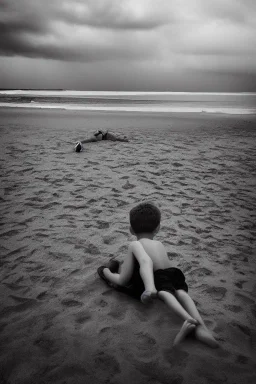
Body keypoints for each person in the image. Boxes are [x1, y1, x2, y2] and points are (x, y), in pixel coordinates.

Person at [98, 202, 219, 348]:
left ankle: (189, 321)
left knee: (165, 293)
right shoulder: (160, 244)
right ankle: (202, 328)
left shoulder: (135, 245)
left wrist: (106, 272)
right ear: (158, 228)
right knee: (181, 293)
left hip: (158, 280)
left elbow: (123, 280)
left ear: (131, 230)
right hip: (174, 275)